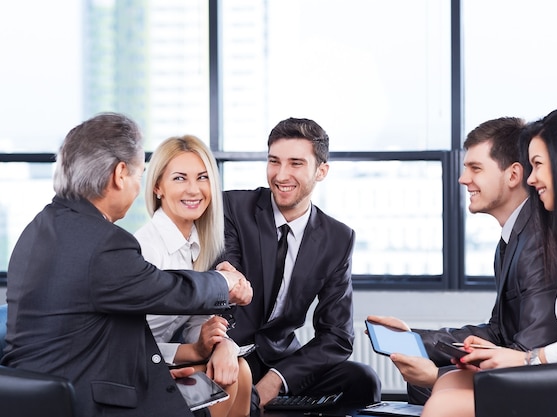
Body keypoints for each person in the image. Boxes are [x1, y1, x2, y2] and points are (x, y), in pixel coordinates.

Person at [0, 113, 253, 417]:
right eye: (139, 174)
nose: (137, 186)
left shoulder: (39, 228)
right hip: (87, 401)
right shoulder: (104, 243)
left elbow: (96, 331)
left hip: (45, 393)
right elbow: (168, 289)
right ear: (120, 174)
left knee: (229, 377)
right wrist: (224, 281)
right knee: (216, 394)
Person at [421, 107, 557, 417]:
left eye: (538, 165)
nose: (532, 179)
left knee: (446, 402)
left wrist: (529, 359)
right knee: (450, 383)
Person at [367, 117, 557, 404]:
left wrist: (439, 376)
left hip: (537, 379)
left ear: (513, 175)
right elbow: (498, 330)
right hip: (521, 363)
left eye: (475, 168)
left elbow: (530, 350)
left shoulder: (537, 241)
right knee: (422, 384)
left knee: (428, 383)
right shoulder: (514, 237)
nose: (463, 179)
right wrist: (414, 339)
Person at [218, 117, 381, 409]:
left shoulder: (337, 238)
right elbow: (226, 284)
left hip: (280, 359)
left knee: (362, 379)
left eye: (295, 163)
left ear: (321, 171)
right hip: (229, 349)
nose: (281, 175)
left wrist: (278, 378)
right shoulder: (233, 208)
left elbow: (337, 335)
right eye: (274, 161)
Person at [134, 135, 252, 417]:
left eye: (202, 177)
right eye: (179, 178)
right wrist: (191, 352)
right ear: (158, 187)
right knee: (219, 379)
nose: (193, 189)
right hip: (136, 367)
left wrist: (221, 342)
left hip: (163, 359)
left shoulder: (197, 244)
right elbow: (130, 341)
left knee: (240, 370)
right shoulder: (145, 249)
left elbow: (194, 322)